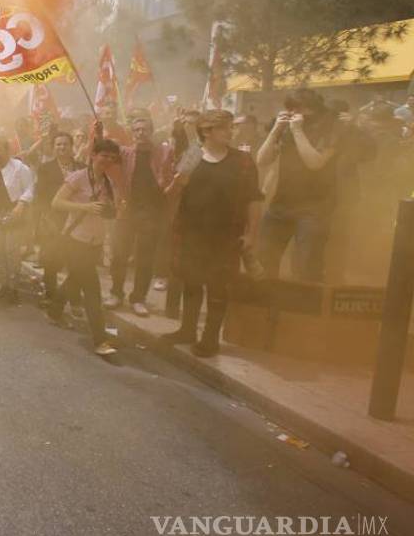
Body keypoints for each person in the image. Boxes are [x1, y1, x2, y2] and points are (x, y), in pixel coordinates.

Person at [165, 110, 262, 356]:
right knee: (192, 283)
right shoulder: (192, 156)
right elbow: (172, 194)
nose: (231, 132)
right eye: (225, 128)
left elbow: (254, 199)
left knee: (218, 287)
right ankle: (187, 329)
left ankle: (210, 339)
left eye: (231, 127)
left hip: (226, 236)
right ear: (206, 131)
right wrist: (178, 183)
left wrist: (252, 234)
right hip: (191, 234)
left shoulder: (243, 161)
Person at [47, 138, 121, 357]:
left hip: (95, 242)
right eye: (103, 156)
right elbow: (56, 203)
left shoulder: (109, 184)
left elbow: (110, 215)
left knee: (75, 280)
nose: (107, 161)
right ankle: (100, 340)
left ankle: (54, 310)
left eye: (111, 157)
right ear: (93, 155)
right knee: (92, 289)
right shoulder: (77, 178)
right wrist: (85, 207)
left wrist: (110, 214)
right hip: (75, 240)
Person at [256, 89, 339, 282]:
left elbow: (315, 163)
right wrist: (277, 129)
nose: (294, 113)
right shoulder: (284, 128)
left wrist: (297, 131)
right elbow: (262, 160)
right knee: (265, 259)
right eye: (291, 108)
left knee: (306, 265)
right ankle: (265, 305)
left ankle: (302, 308)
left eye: (299, 109)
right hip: (281, 203)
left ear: (313, 109)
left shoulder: (331, 127)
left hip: (315, 207)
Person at [107, 116, 173, 316]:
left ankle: (138, 298)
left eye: (144, 129)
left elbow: (171, 175)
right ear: (132, 133)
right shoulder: (124, 153)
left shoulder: (163, 152)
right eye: (136, 130)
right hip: (126, 210)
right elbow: (101, 157)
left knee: (145, 258)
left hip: (151, 213)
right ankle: (116, 292)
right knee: (119, 255)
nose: (140, 133)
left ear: (151, 131)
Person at [0, 132, 34, 301]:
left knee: (12, 251)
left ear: (7, 150)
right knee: (0, 251)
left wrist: (21, 205)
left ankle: (13, 288)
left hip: (14, 212)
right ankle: (5, 284)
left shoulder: (19, 168)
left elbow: (30, 189)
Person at [34, 132, 81, 305]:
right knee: (51, 260)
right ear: (53, 148)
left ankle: (72, 296)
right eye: (58, 144)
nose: (62, 148)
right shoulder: (46, 168)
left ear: (71, 146)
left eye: (65, 144)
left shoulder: (81, 168)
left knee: (75, 260)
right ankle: (51, 294)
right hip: (53, 220)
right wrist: (46, 217)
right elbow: (41, 195)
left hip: (77, 220)